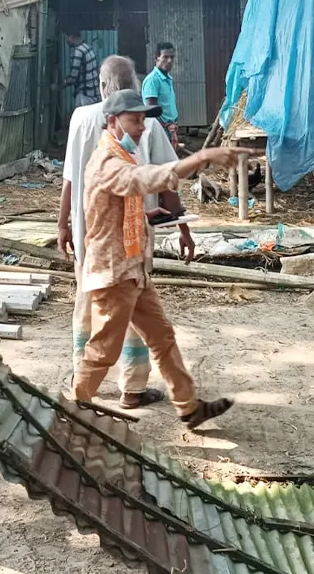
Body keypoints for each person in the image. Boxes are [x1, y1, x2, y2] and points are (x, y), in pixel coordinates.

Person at [72, 89, 245, 428]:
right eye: (134, 119)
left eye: (143, 120)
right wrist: (200, 158)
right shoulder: (107, 161)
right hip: (114, 274)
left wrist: (147, 216)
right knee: (104, 350)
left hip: (132, 270)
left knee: (162, 337)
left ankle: (189, 406)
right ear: (112, 121)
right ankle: (74, 409)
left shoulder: (120, 155)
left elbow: (117, 205)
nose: (141, 126)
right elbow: (141, 180)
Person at [61, 55, 191, 409]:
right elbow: (167, 178)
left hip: (92, 235)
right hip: (127, 243)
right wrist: (182, 227)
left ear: (103, 87)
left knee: (90, 304)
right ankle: (127, 386)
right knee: (126, 315)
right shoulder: (142, 125)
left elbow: (69, 178)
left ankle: (81, 379)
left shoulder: (80, 119)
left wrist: (63, 224)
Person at [142, 42, 181, 151]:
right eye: (165, 57)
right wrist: (165, 126)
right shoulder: (152, 80)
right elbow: (151, 111)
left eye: (172, 57)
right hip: (160, 131)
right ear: (156, 58)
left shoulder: (167, 79)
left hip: (170, 130)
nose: (169, 61)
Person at [64, 28, 100, 108]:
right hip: (94, 93)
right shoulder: (87, 47)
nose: (66, 41)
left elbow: (73, 77)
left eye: (66, 38)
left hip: (84, 94)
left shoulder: (78, 52)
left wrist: (61, 84)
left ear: (71, 37)